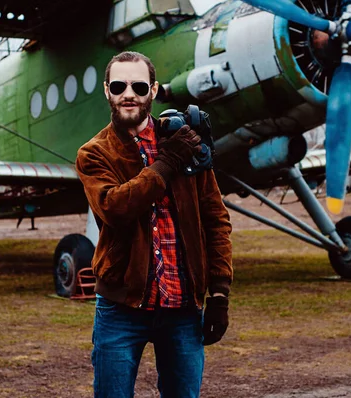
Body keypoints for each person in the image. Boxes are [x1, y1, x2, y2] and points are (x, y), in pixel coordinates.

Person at [75, 51, 233, 398]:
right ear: (107, 91)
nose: (128, 93)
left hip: (182, 308)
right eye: (119, 85)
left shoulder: (185, 140)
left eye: (138, 85)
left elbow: (215, 219)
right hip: (121, 309)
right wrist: (166, 164)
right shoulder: (94, 153)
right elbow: (115, 207)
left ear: (154, 89)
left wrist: (219, 293)